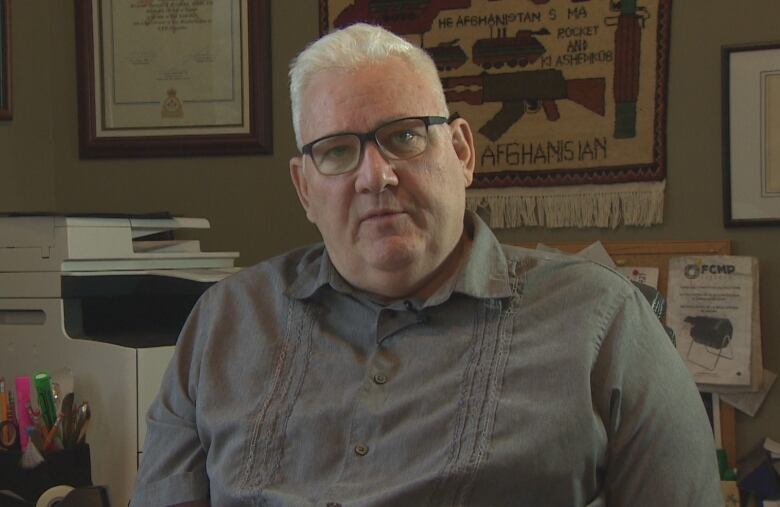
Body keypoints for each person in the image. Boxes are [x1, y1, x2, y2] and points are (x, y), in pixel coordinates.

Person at [131, 23, 722, 507]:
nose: (376, 177)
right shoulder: (224, 323)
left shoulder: (606, 322)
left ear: (462, 152)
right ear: (304, 187)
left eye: (405, 137)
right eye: (337, 151)